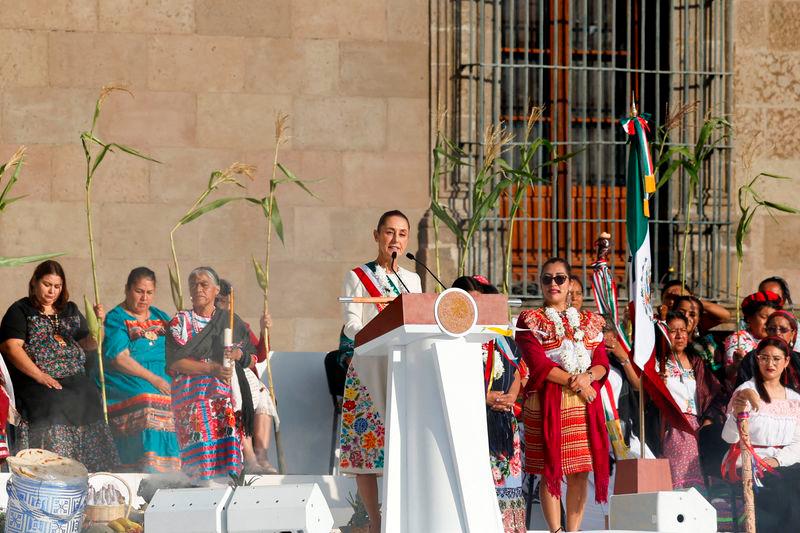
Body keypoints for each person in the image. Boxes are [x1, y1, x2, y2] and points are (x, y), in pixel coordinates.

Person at [338, 210, 422, 533]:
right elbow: (352, 324)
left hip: (403, 372)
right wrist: (380, 333)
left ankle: (404, 517)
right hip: (368, 371)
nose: (395, 240)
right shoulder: (357, 276)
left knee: (402, 448)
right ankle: (375, 521)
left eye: (402, 234)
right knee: (367, 451)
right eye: (389, 233)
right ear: (377, 236)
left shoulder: (412, 280)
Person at [515, 257, 610, 533]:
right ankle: (556, 530)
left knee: (581, 470)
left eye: (559, 278)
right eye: (547, 279)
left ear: (570, 284)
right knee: (551, 471)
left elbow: (602, 361)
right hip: (549, 401)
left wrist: (588, 377)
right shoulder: (530, 319)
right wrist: (575, 381)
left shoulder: (589, 321)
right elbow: (539, 365)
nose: (553, 284)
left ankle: (574, 530)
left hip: (583, 402)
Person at [0, 260, 118, 470]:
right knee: (54, 399)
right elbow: (11, 347)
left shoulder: (69, 310)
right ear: (35, 282)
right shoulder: (21, 310)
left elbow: (90, 344)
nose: (51, 291)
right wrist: (40, 375)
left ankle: (92, 467)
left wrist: (98, 324)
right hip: (37, 381)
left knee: (90, 394)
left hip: (73, 378)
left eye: (57, 286)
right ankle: (54, 464)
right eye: (47, 284)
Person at [166, 267, 256, 482]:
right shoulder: (180, 322)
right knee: (200, 461)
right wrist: (211, 369)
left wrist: (238, 353)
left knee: (228, 459)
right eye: (194, 284)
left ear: (216, 290)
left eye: (204, 284)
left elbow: (253, 358)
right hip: (191, 400)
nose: (198, 289)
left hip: (223, 399)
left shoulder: (231, 321)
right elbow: (176, 362)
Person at [453, 276, 525, 533]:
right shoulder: (455, 339)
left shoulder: (501, 335)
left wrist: (512, 396)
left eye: (481, 301)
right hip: (474, 422)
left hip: (505, 422)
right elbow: (452, 379)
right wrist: (483, 398)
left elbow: (518, 372)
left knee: (508, 486)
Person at [102, 267, 180, 472]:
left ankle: (181, 468)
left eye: (149, 292)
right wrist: (155, 379)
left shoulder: (161, 316)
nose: (144, 298)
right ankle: (147, 465)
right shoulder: (117, 317)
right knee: (148, 397)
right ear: (127, 290)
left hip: (165, 374)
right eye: (139, 291)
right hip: (129, 375)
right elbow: (119, 359)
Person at [722, 337, 800, 532]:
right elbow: (729, 438)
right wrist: (737, 413)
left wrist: (777, 460)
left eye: (776, 358)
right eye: (764, 357)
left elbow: (798, 443)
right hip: (750, 461)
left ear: (786, 362)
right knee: (782, 490)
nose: (770, 363)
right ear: (757, 360)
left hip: (783, 462)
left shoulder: (794, 399)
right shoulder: (746, 390)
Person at [654, 311, 724, 489]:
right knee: (683, 480)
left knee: (706, 476)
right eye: (673, 330)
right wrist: (657, 385)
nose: (679, 335)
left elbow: (714, 394)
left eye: (683, 330)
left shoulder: (697, 362)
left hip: (699, 427)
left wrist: (708, 421)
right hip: (676, 427)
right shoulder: (656, 364)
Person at [216, 280, 279, 474]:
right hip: (223, 377)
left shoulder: (239, 325)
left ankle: (262, 456)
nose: (223, 307)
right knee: (239, 393)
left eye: (227, 303)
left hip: (247, 376)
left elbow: (258, 356)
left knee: (264, 396)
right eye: (219, 301)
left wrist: (263, 330)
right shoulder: (205, 323)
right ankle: (249, 456)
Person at [723, 290, 782, 385]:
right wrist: (737, 364)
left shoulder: (776, 339)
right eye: (763, 317)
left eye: (772, 318)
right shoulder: (737, 339)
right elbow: (729, 374)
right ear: (749, 318)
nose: (768, 323)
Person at [736, 310, 800, 391]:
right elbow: (742, 392)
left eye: (783, 330)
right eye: (772, 329)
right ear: (767, 332)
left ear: (792, 334)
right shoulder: (752, 358)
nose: (777, 333)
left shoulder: (797, 359)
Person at [673, 295, 723, 380]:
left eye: (692, 314)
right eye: (681, 313)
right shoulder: (664, 341)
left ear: (699, 319)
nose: (686, 317)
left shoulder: (708, 346)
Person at [658, 280, 730, 331]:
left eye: (677, 298)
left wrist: (690, 301)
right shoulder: (657, 322)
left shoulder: (693, 321)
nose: (672, 301)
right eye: (668, 297)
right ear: (662, 299)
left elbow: (725, 315)